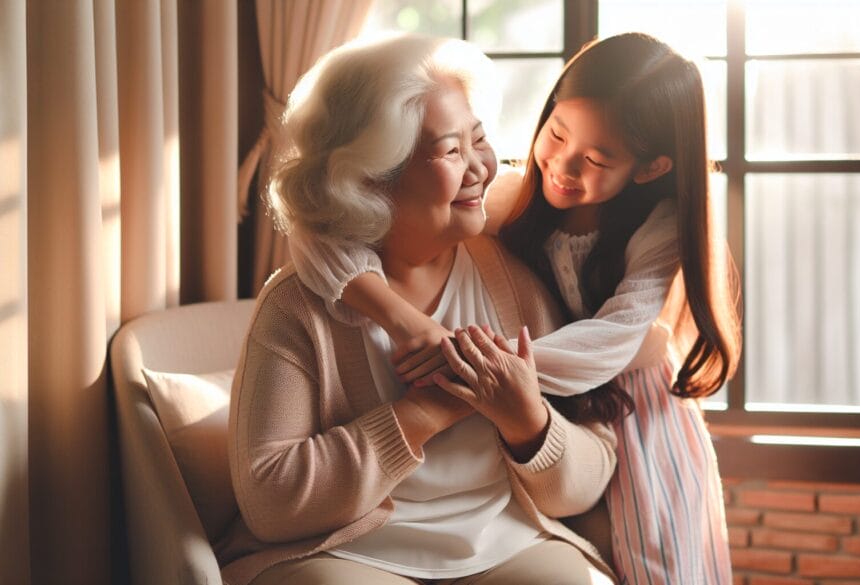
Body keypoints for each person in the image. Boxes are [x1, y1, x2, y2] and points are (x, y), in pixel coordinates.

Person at [297, 32, 743, 585]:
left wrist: (479, 365)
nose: (562, 164)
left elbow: (611, 341)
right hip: (541, 411)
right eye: (556, 133)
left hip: (635, 412)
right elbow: (314, 225)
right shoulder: (509, 200)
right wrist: (402, 319)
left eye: (597, 159)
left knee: (659, 564)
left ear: (651, 168)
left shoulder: (660, 232)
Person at [223, 34, 619, 585]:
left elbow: (593, 472)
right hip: (347, 552)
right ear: (371, 180)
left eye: (478, 139)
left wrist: (527, 419)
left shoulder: (510, 278)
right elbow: (270, 501)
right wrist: (426, 413)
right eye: (450, 151)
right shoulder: (297, 307)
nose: (481, 168)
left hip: (503, 540)